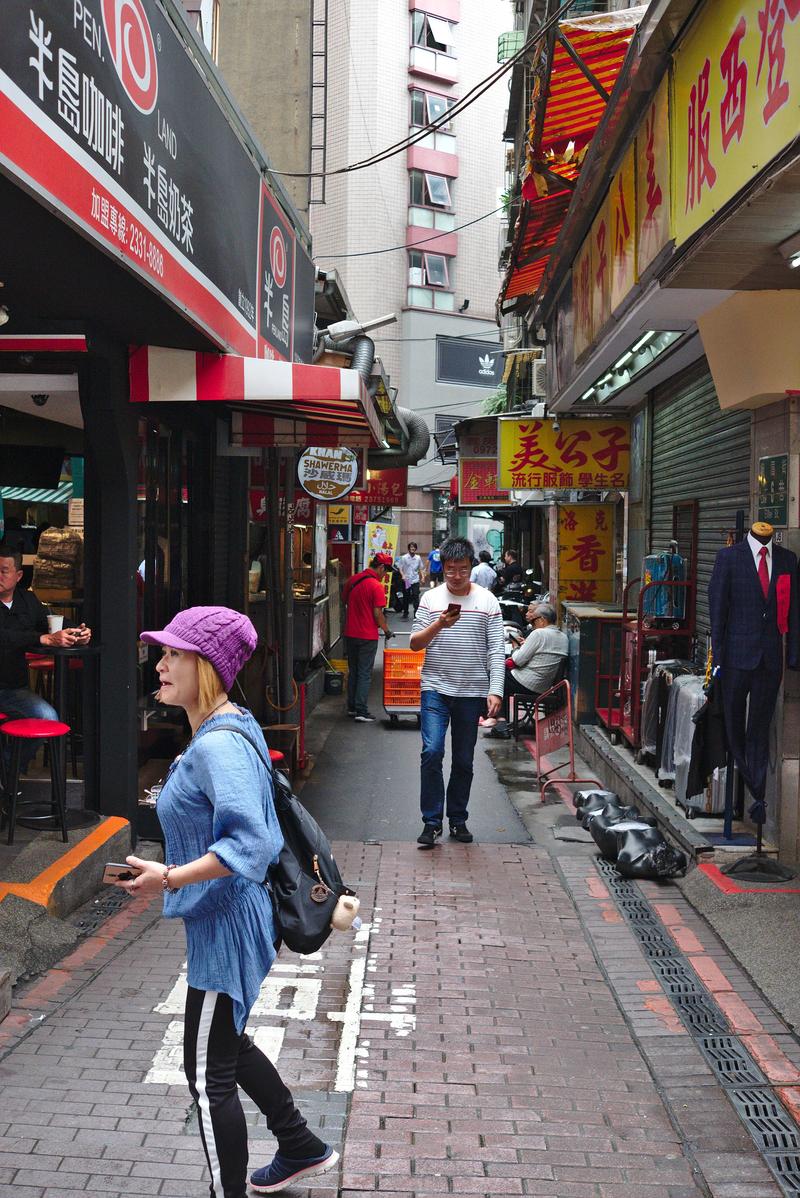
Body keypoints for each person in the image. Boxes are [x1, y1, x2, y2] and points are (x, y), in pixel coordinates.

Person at [117, 606, 338, 1198]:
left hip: (229, 926)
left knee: (205, 1076)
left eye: (173, 654)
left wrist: (169, 876)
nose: (160, 664)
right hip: (228, 919)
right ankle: (299, 1144)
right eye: (161, 653)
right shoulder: (226, 726)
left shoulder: (218, 745)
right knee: (228, 1044)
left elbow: (252, 840)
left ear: (207, 665)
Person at [410, 537, 504, 848]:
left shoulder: (487, 601)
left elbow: (495, 650)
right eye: (451, 570)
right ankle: (432, 821)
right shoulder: (431, 600)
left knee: (463, 759)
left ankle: (458, 819)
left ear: (471, 567)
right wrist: (439, 624)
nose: (456, 576)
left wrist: (496, 690)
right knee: (432, 752)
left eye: (462, 569)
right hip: (435, 687)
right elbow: (415, 643)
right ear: (443, 568)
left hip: (472, 690)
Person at [0, 546, 92, 772]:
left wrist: (77, 632)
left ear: (18, 575)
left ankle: (8, 770)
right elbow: (6, 637)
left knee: (48, 717)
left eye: (4, 571)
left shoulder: (27, 600)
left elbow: (51, 621)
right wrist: (44, 638)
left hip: (14, 690)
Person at [485, 601, 569, 734]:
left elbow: (518, 660)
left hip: (528, 682)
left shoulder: (539, 634)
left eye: (534, 621)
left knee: (497, 677)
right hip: (544, 684)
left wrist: (516, 647)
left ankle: (500, 722)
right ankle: (501, 721)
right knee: (503, 676)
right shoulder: (563, 637)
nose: (532, 624)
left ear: (542, 620)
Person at [342, 554, 394, 722]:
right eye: (385, 572)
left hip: (350, 633)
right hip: (367, 635)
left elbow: (345, 601)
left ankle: (352, 707)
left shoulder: (353, 580)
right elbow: (377, 613)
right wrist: (386, 630)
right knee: (364, 673)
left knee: (354, 671)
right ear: (381, 568)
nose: (384, 575)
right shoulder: (376, 586)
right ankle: (361, 710)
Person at [396, 541, 425, 617]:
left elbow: (421, 569)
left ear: (416, 549)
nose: (412, 548)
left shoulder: (418, 558)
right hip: (407, 580)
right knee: (406, 596)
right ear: (408, 548)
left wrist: (423, 577)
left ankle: (416, 613)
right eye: (411, 547)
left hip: (415, 580)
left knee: (416, 596)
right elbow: (400, 568)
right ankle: (405, 612)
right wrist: (403, 575)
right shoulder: (404, 557)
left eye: (414, 547)